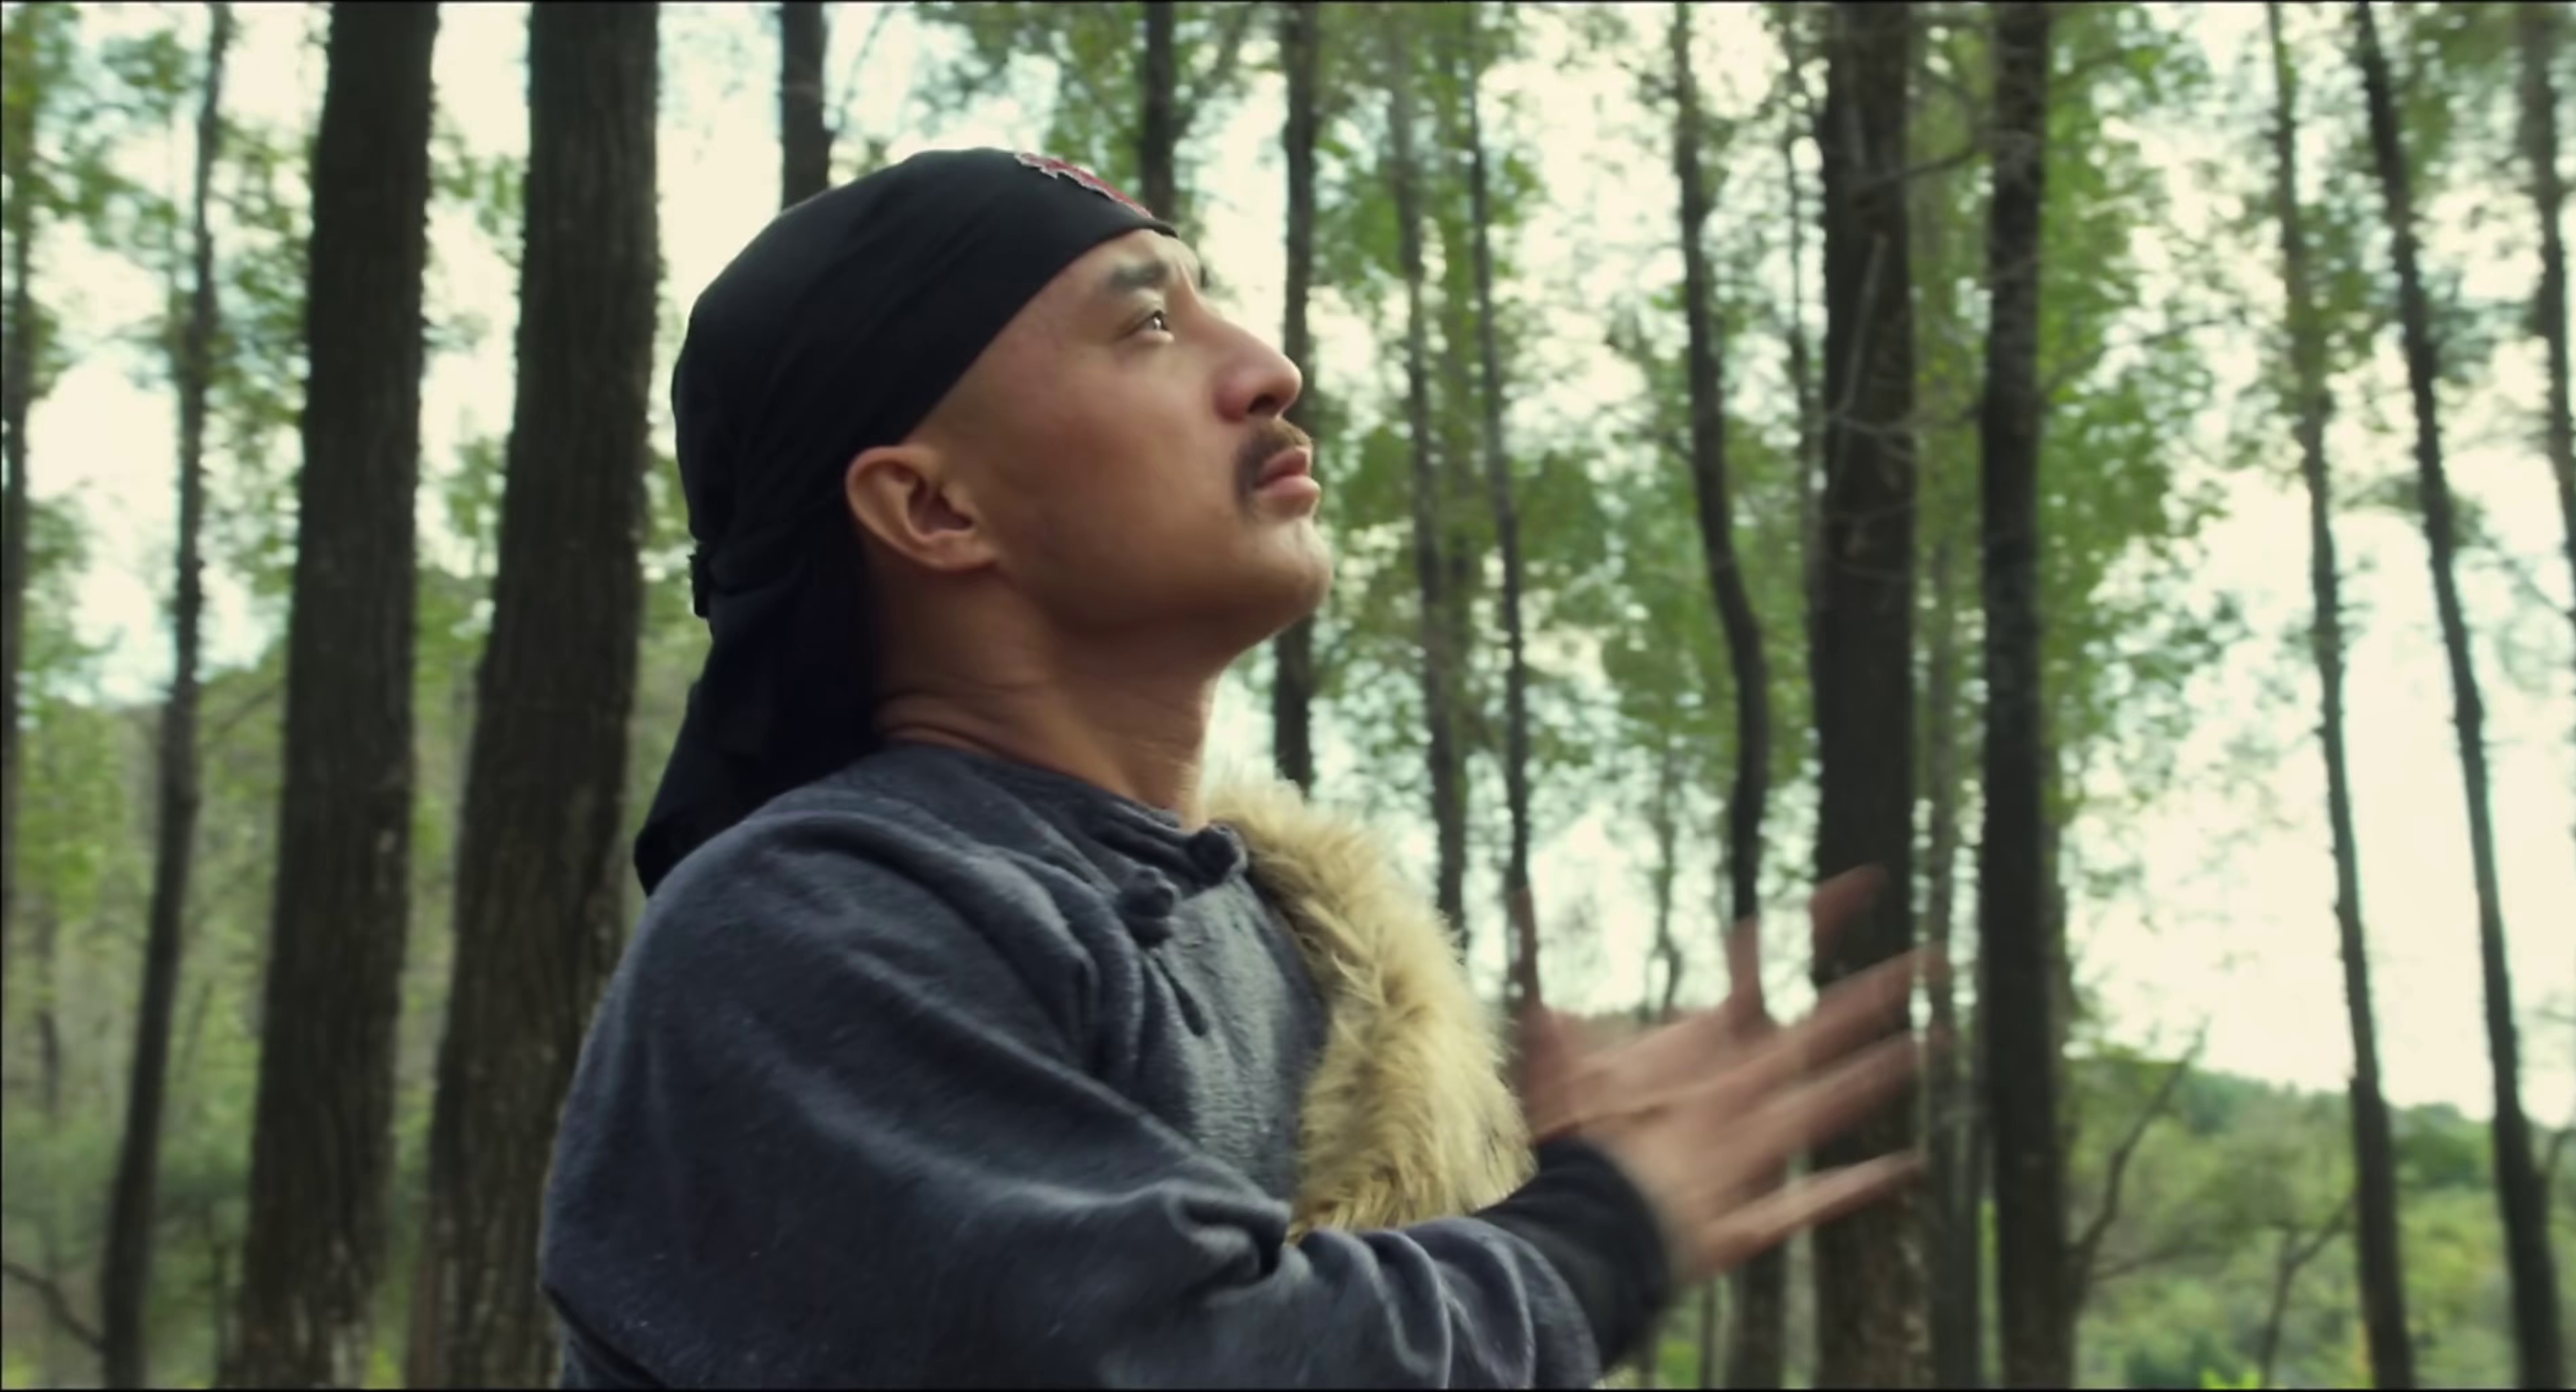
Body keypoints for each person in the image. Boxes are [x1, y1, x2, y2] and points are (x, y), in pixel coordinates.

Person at [540, 147, 1930, 1389]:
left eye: (1213, 306)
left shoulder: (1299, 942)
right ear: (936, 506)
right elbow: (1171, 1356)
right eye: (1148, 324)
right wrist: (1598, 1234)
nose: (1268, 368)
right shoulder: (806, 932)